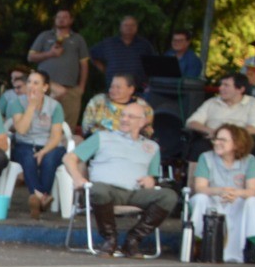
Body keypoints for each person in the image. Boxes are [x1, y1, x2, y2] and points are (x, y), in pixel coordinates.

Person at [65, 101, 176, 257]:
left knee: (169, 196)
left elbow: (153, 176)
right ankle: (110, 239)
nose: (124, 119)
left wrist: (151, 180)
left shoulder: (152, 147)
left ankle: (134, 239)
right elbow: (69, 158)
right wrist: (77, 177)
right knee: (99, 190)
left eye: (130, 116)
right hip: (106, 189)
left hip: (135, 192)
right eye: (123, 115)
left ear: (142, 122)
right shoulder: (102, 137)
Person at [187, 124, 255, 263]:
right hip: (212, 200)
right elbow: (200, 187)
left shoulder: (249, 160)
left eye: (223, 140)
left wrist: (235, 193)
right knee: (200, 198)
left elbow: (253, 190)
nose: (217, 143)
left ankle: (252, 245)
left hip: (236, 201)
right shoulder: (206, 157)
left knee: (252, 201)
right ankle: (199, 241)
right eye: (216, 139)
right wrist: (220, 191)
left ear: (237, 143)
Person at [6, 68, 66, 217]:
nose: (31, 86)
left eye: (36, 83)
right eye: (29, 82)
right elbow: (21, 129)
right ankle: (42, 197)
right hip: (24, 143)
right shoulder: (17, 103)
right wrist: (31, 106)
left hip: (50, 145)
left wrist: (44, 151)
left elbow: (56, 135)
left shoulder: (55, 106)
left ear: (45, 87)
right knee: (28, 158)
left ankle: (37, 197)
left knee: (50, 158)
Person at [28, 9, 89, 128]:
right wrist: (50, 54)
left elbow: (84, 65)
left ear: (71, 20)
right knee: (41, 120)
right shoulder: (45, 36)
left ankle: (66, 145)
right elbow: (30, 57)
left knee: (68, 124)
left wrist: (81, 87)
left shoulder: (78, 39)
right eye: (58, 17)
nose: (61, 19)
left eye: (65, 17)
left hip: (70, 88)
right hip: (47, 87)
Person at [184, 73, 255, 160]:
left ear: (240, 89)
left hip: (239, 141)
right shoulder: (212, 102)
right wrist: (210, 131)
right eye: (221, 85)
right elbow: (191, 122)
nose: (220, 88)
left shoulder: (253, 103)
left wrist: (228, 135)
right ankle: (195, 174)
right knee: (198, 147)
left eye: (226, 85)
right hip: (212, 139)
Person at [88, 16, 156, 93]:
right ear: (120, 27)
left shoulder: (145, 45)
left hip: (138, 90)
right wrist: (104, 69)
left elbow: (153, 65)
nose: (129, 28)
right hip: (114, 89)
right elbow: (91, 54)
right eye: (126, 25)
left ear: (137, 27)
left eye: (132, 25)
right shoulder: (109, 43)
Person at [82, 72, 155, 136]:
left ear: (131, 90)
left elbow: (147, 133)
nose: (113, 90)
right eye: (112, 87)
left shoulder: (143, 107)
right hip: (99, 142)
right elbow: (86, 127)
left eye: (118, 87)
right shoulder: (98, 101)